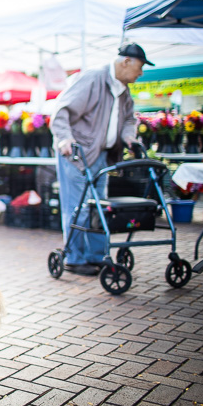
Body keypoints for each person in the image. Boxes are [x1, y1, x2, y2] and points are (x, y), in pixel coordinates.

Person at [49, 43, 149, 276]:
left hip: (102, 155)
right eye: (140, 66)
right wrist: (64, 139)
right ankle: (74, 258)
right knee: (78, 208)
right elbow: (61, 110)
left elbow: (128, 120)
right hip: (76, 154)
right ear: (126, 62)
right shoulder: (93, 79)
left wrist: (129, 138)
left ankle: (96, 257)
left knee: (99, 208)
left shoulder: (123, 90)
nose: (141, 73)